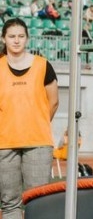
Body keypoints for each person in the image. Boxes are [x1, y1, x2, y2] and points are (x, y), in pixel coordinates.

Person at [0, 18, 59, 219]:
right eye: (11, 36)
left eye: (20, 36)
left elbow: (53, 102)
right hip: (4, 145)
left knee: (38, 201)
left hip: (38, 143)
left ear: (27, 38)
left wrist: (36, 124)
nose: (16, 41)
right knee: (9, 203)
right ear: (4, 39)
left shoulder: (43, 66)